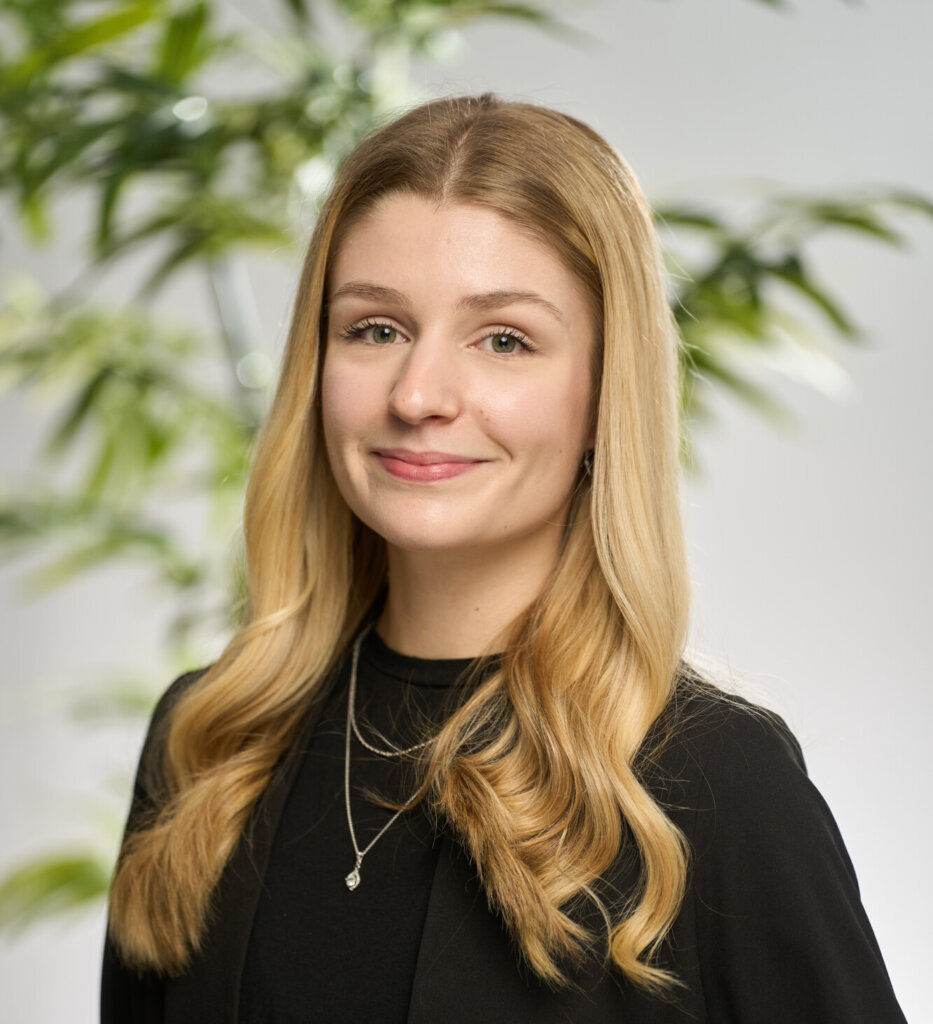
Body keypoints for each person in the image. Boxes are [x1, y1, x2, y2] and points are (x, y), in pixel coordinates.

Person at [100, 94, 906, 1023]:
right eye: (375, 328)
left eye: (503, 340)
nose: (417, 395)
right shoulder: (207, 745)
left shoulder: (716, 783)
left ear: (604, 392)